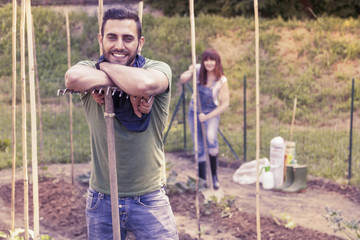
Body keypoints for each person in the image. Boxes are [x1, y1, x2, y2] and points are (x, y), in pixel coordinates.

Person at [65, 7, 178, 240]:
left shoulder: (156, 68)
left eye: (128, 38)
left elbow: (145, 84)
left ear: (140, 42)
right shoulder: (87, 67)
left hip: (148, 198)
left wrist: (103, 71)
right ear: (100, 39)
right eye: (112, 37)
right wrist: (117, 75)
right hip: (101, 200)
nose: (119, 46)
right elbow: (73, 78)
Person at [180, 49, 230, 190]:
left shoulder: (221, 80)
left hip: (211, 113)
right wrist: (190, 71)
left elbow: (225, 104)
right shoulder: (197, 70)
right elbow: (182, 80)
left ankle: (214, 176)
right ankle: (202, 181)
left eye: (212, 60)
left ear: (217, 62)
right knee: (199, 146)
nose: (209, 63)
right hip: (194, 112)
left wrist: (207, 116)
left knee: (211, 137)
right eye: (206, 60)